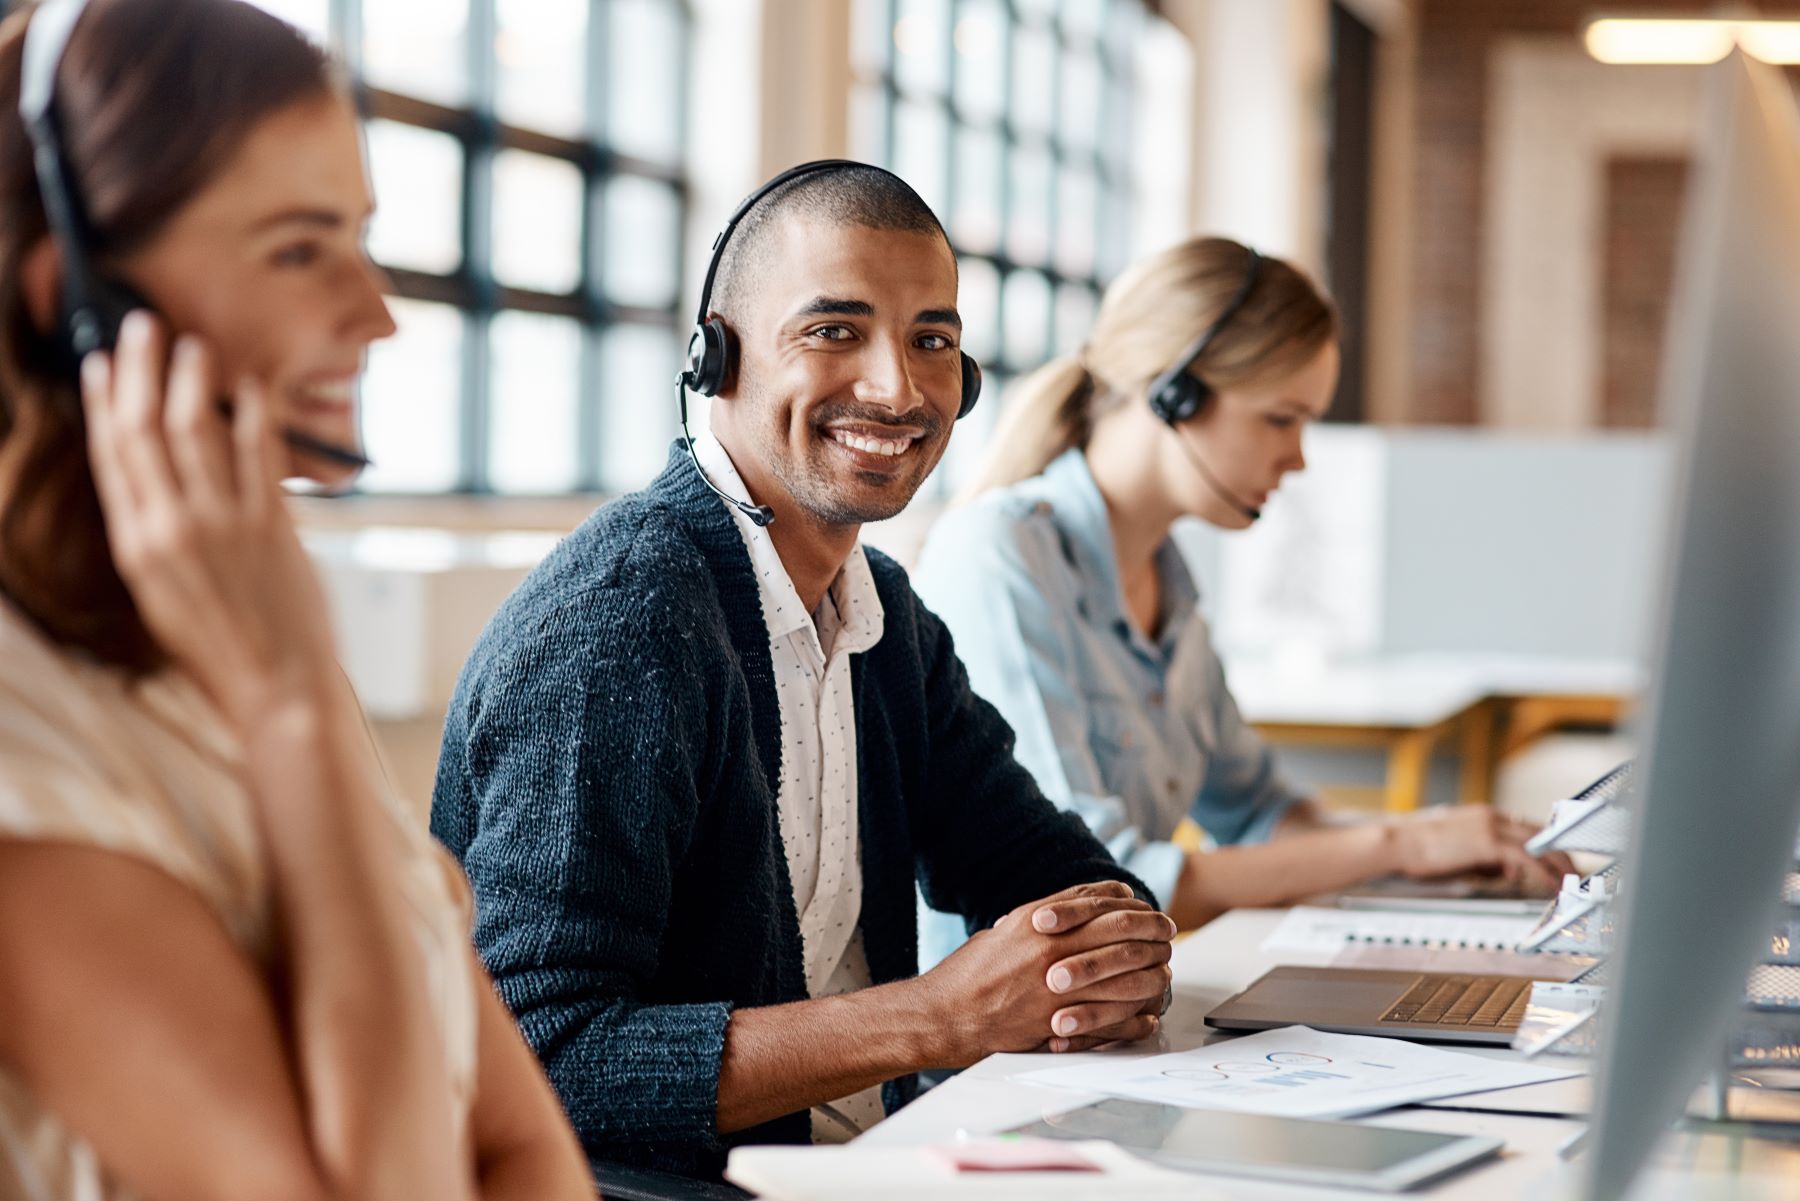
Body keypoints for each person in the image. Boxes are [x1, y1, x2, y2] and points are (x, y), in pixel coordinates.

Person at [431, 161, 1177, 1180]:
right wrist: (933, 1018)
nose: (898, 388)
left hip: (878, 1160)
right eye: (834, 331)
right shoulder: (622, 625)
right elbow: (530, 1055)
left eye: (933, 341)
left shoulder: (887, 622)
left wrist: (1114, 945)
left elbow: (1061, 875)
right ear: (716, 360)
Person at [0, 3, 590, 1198]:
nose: (377, 314)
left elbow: (525, 1149)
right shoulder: (33, 745)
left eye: (362, 238)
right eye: (298, 247)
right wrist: (287, 716)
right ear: (81, 298)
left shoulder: (248, 632)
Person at [913, 236, 1574, 964]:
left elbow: (1260, 811)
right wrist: (1404, 842)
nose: (1297, 458)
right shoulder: (1001, 557)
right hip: (994, 1060)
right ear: (1176, 394)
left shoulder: (1171, 589)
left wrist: (1449, 857)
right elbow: (1096, 878)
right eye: (1281, 418)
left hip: (1104, 1023)